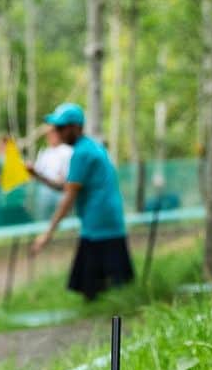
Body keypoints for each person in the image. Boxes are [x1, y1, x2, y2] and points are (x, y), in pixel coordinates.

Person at [31, 103, 134, 300]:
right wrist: (38, 175)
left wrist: (47, 234)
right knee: (110, 285)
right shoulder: (91, 146)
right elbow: (68, 186)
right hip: (106, 220)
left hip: (98, 225)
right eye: (56, 128)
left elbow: (68, 197)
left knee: (94, 287)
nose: (57, 132)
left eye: (61, 127)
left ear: (76, 127)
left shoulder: (81, 153)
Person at [27, 124, 74, 221]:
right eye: (48, 134)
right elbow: (37, 172)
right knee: (43, 221)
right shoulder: (45, 152)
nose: (50, 136)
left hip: (61, 194)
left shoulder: (67, 151)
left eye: (52, 133)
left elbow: (67, 177)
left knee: (64, 221)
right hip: (44, 194)